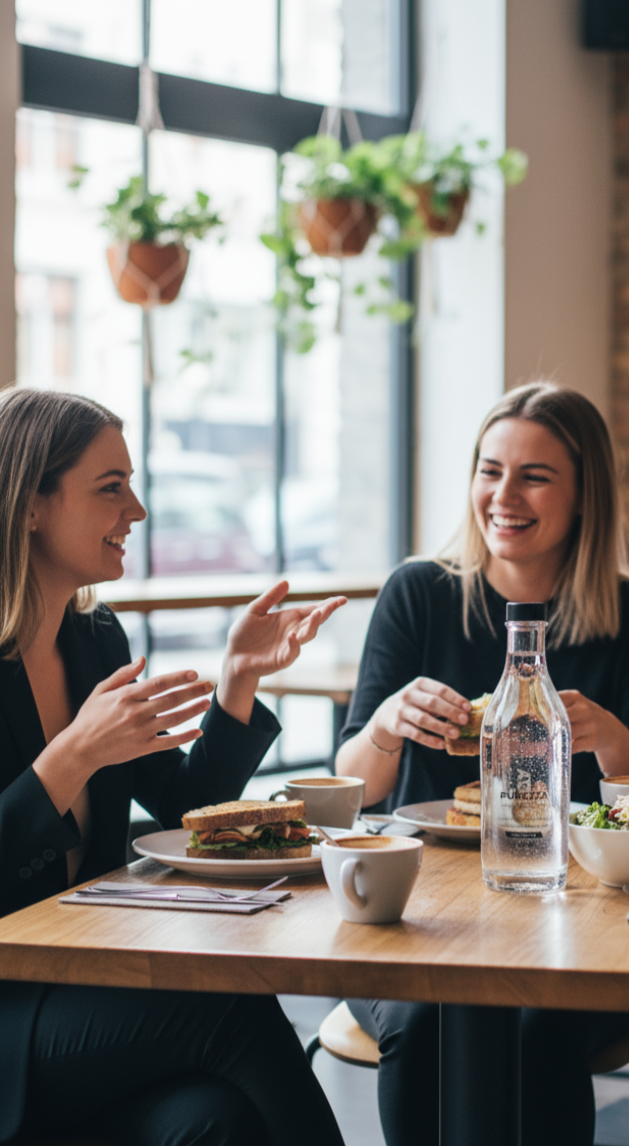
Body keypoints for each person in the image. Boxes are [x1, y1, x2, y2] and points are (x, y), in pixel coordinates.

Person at [335, 381, 629, 1146]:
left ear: (584, 497)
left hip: (582, 907)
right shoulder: (419, 594)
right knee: (422, 1020)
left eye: (534, 475)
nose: (503, 495)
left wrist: (605, 738)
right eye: (489, 469)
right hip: (421, 909)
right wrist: (389, 724)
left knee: (538, 1023)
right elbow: (353, 785)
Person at [0, 388, 347, 1146]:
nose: (138, 511)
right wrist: (72, 755)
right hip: (9, 1007)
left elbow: (186, 806)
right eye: (110, 488)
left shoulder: (95, 641)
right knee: (231, 1001)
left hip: (84, 982)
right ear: (29, 506)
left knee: (211, 1122)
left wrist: (239, 678)